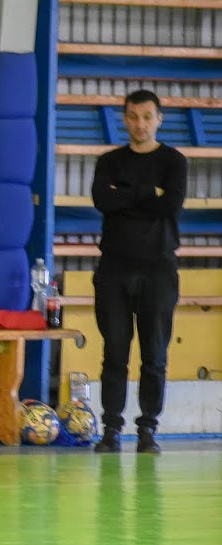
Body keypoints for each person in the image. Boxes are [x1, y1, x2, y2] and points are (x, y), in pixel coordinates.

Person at [90, 90, 187, 454]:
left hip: (158, 268)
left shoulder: (174, 161)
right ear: (124, 119)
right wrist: (149, 194)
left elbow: (171, 206)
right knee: (114, 349)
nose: (140, 124)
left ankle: (148, 428)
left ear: (159, 119)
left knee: (155, 353)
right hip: (114, 267)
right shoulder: (109, 161)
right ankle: (110, 428)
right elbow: (103, 200)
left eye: (147, 116)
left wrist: (127, 195)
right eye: (133, 116)